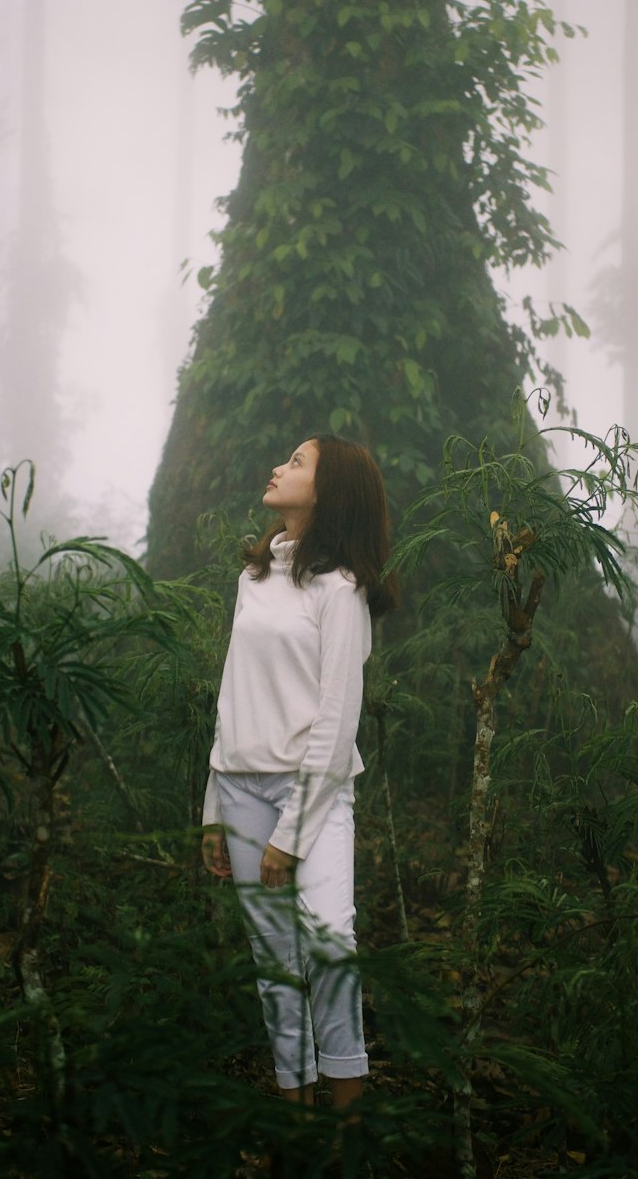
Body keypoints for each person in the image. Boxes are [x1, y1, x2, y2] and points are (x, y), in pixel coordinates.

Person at [201, 434, 397, 1111]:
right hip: (239, 787)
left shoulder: (339, 590)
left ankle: (346, 1126)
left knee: (331, 946)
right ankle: (294, 1110)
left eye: (296, 462)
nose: (278, 467)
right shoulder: (253, 577)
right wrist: (212, 811)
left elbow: (338, 721)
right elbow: (232, 695)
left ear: (328, 490)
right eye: (284, 458)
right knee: (275, 964)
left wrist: (290, 833)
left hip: (311, 793)